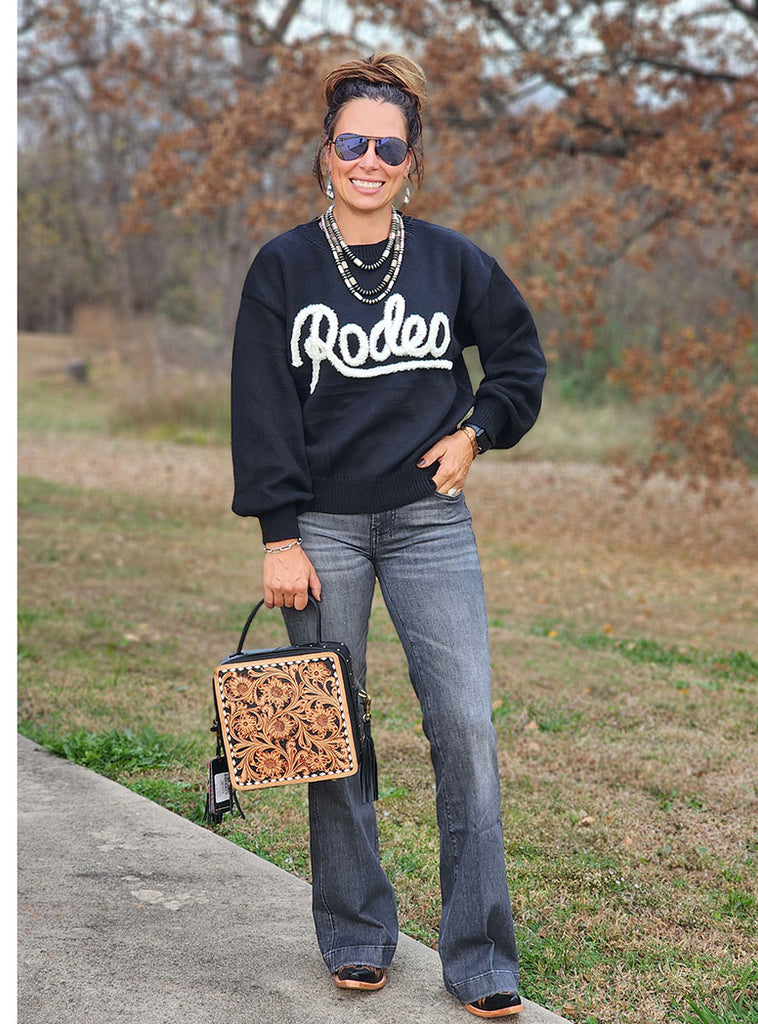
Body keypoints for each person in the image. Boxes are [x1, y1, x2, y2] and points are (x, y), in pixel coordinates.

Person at [230, 51, 545, 1019]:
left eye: (389, 147)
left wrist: (476, 433)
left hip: (428, 526)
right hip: (321, 525)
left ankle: (480, 952)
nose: (370, 159)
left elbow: (519, 363)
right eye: (352, 143)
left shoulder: (453, 260)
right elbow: (261, 407)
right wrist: (279, 534)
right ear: (326, 156)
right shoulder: (283, 265)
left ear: (413, 161)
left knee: (464, 728)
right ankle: (359, 932)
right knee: (332, 734)